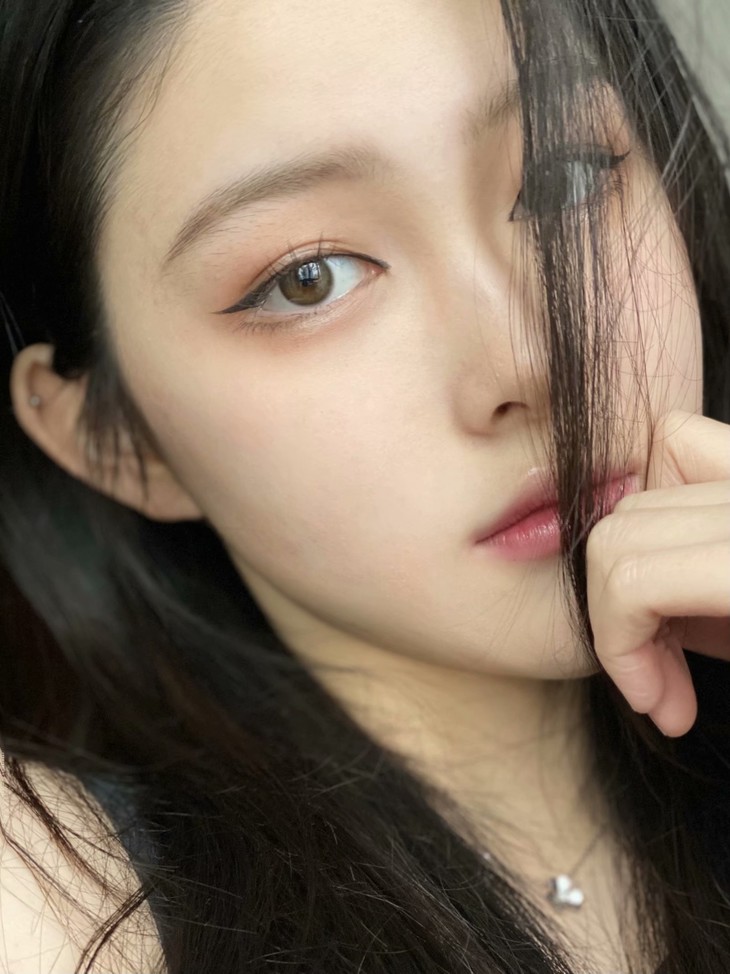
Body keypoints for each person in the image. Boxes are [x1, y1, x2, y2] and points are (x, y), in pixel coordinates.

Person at [0, 0, 728, 971]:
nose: (531, 357)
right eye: (308, 278)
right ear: (120, 441)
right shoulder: (51, 900)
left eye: (564, 176)